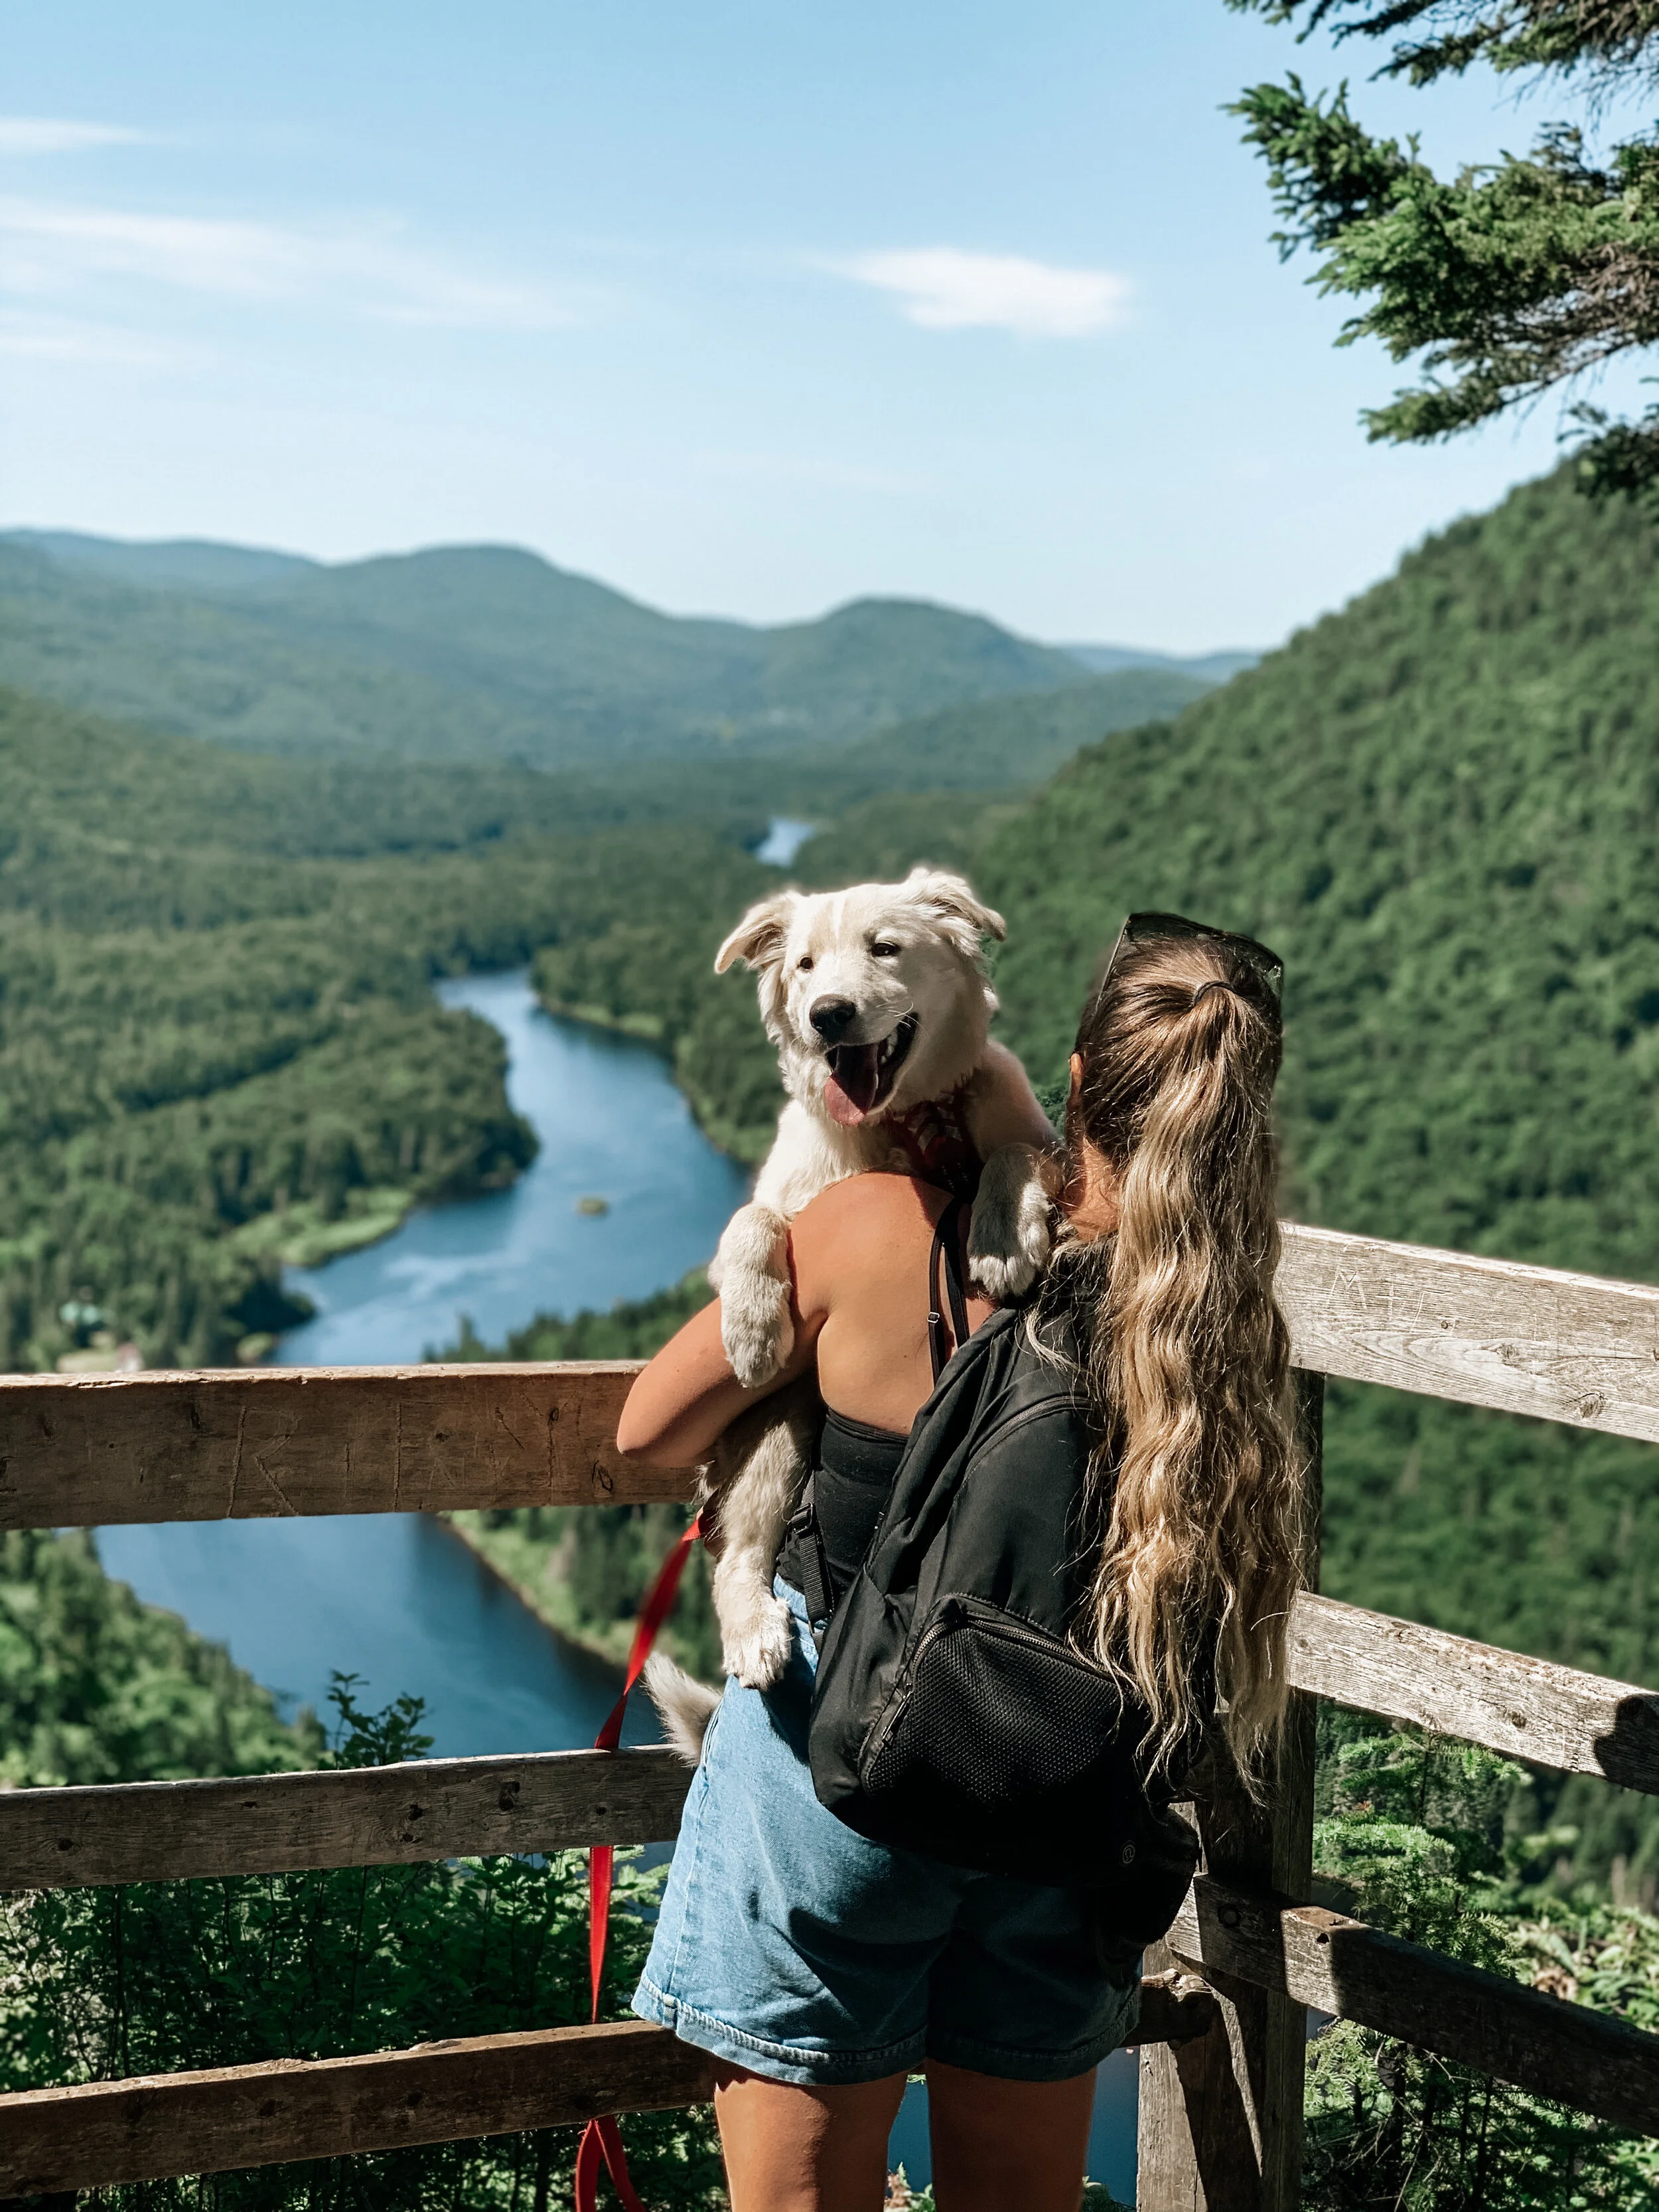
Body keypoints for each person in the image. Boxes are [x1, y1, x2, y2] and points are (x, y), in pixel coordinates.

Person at [616, 917, 1302, 2212]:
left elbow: (649, 1425)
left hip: (840, 1770)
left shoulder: (865, 1224)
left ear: (1077, 1082)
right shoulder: (1208, 1325)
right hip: (1060, 1791)